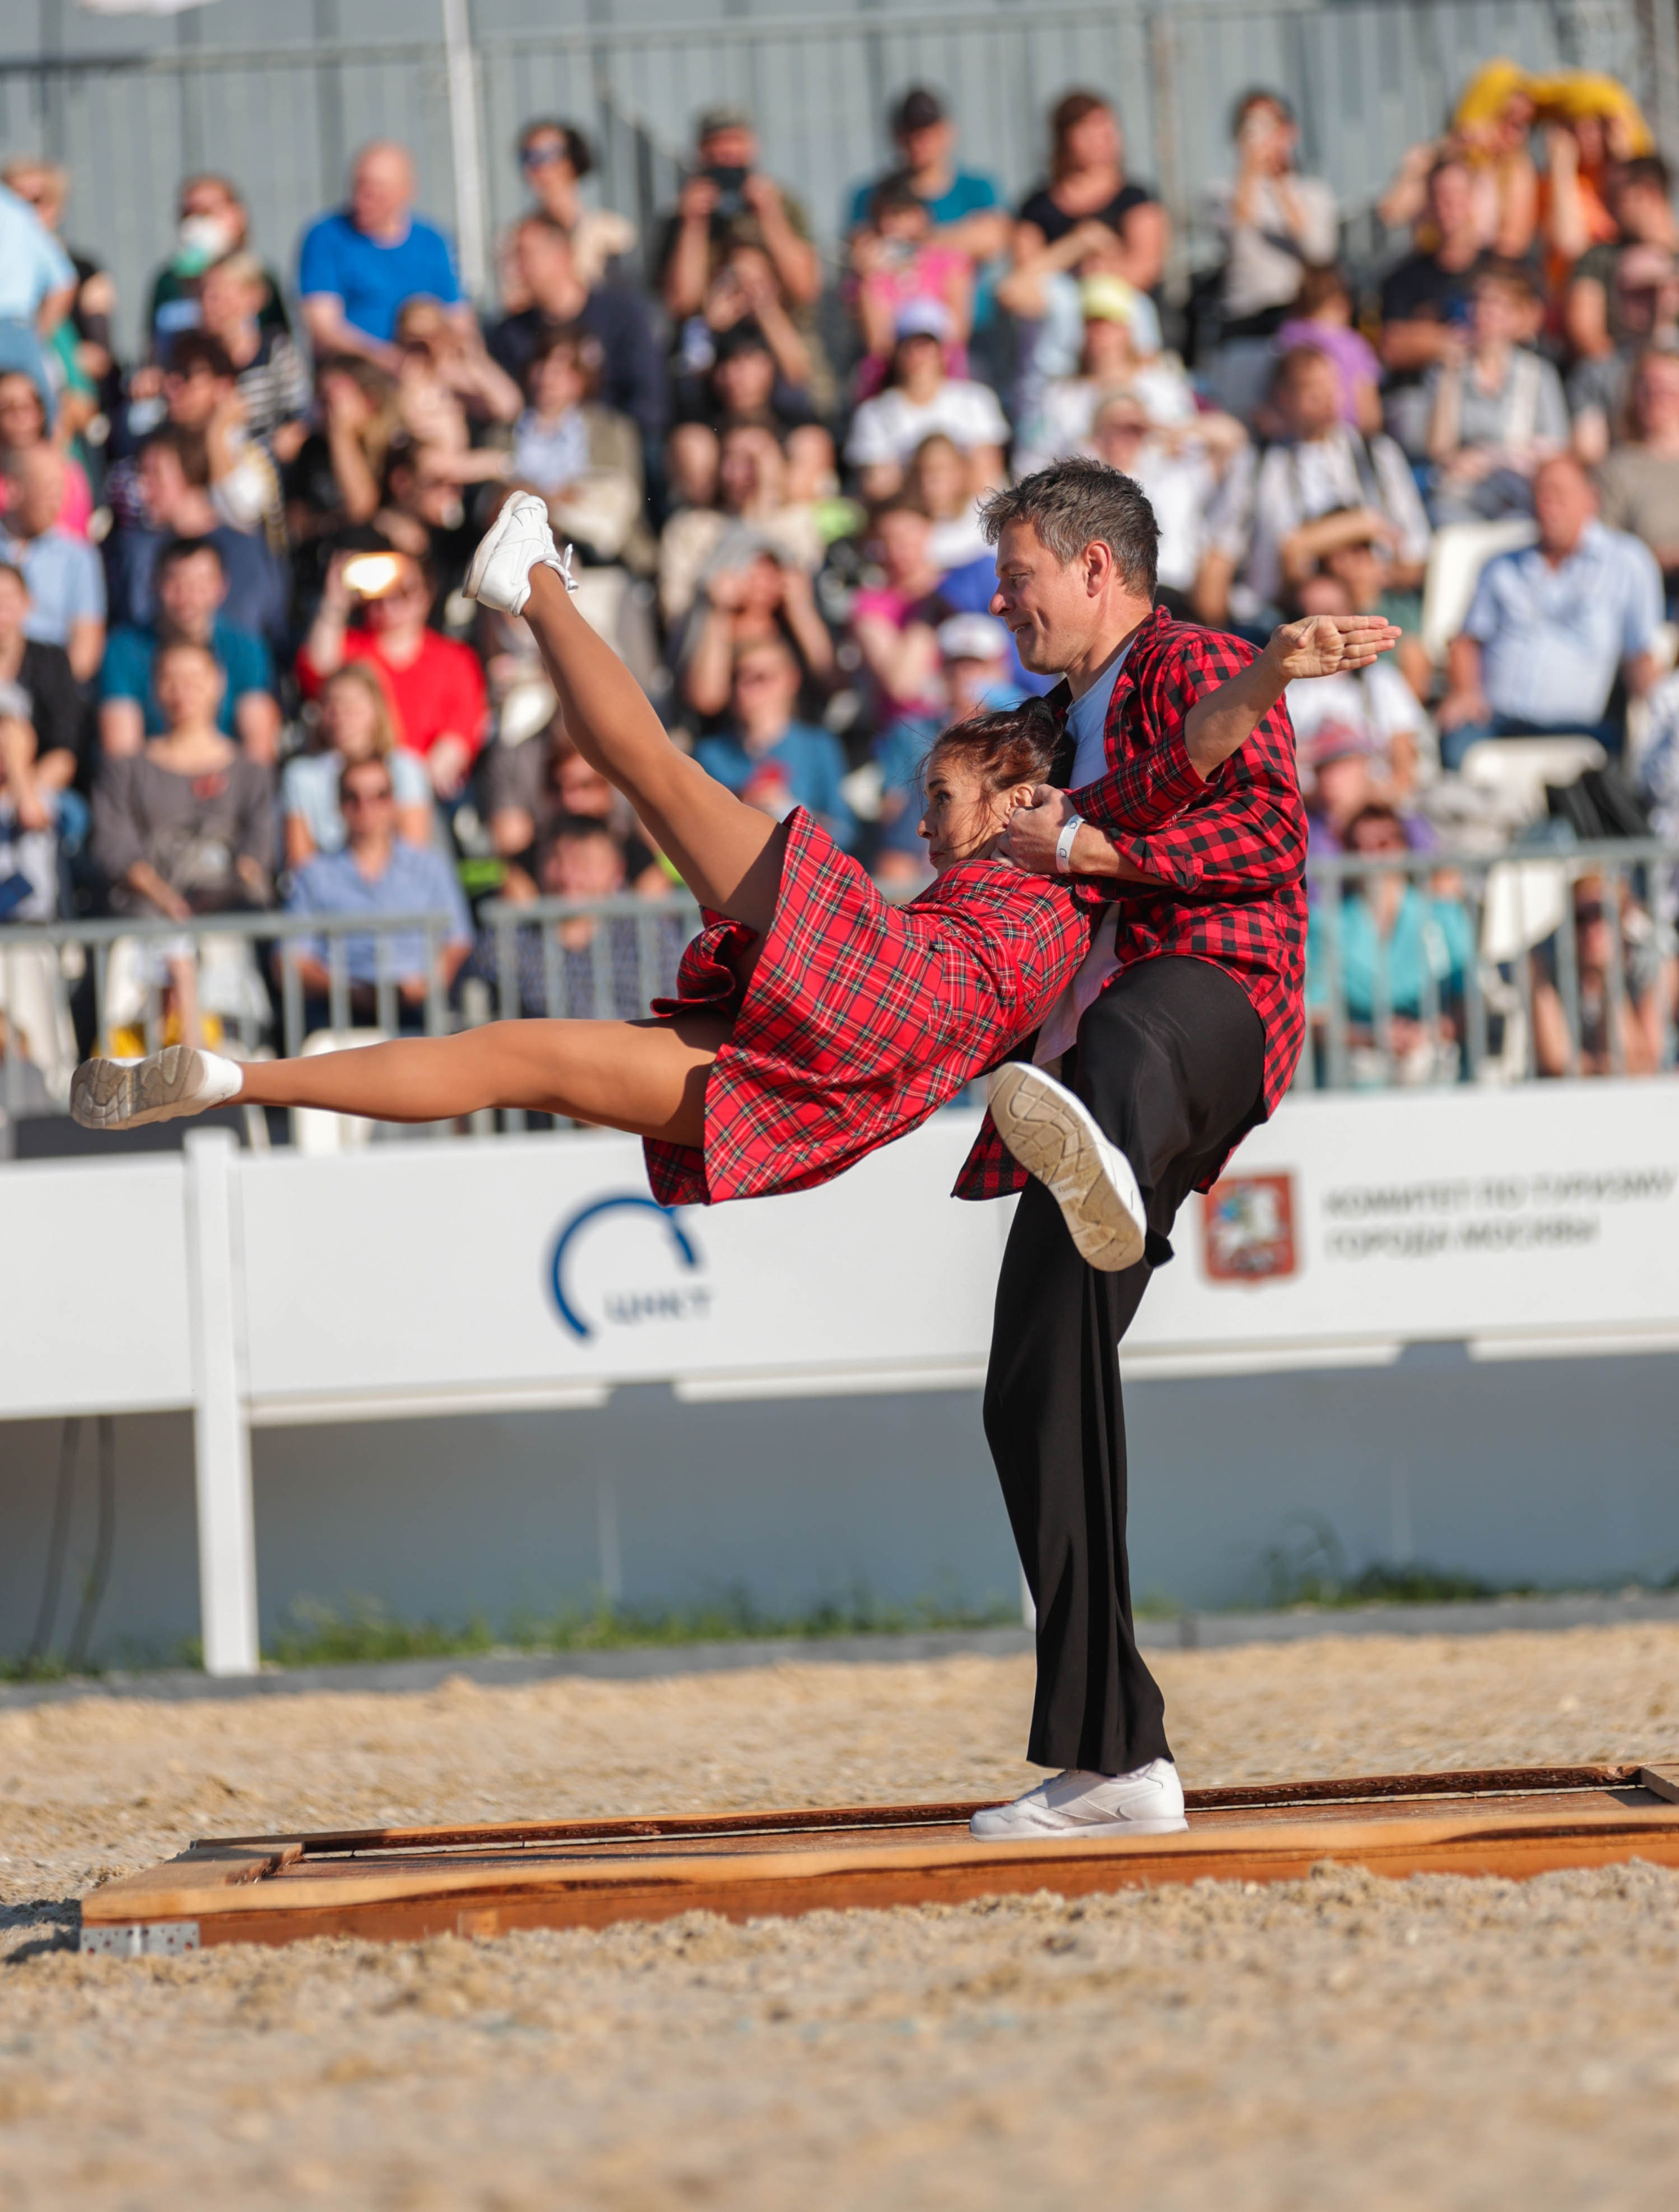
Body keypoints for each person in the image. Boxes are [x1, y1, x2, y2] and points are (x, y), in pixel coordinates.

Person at [956, 458, 1397, 1838]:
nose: (997, 598)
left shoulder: (1195, 658)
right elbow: (981, 831)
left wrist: (1086, 851)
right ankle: (1114, 1760)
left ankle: (1104, 1145)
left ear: (1096, 570)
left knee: (1127, 1045)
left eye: (1016, 573)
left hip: (1212, 1005)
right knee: (1029, 1379)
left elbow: (1263, 832)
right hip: (1102, 1063)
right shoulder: (1041, 720)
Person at [91, 636, 273, 1050]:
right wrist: (169, 902)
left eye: (194, 678)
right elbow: (115, 849)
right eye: (171, 679)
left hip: (227, 933)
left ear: (218, 683)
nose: (182, 690)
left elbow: (257, 854)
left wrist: (210, 902)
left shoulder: (251, 773)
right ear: (155, 688)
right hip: (143, 931)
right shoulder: (126, 770)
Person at [1438, 453, 1663, 768]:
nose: (1547, 504)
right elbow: (1466, 640)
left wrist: (1658, 714)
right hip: (1496, 720)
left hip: (1579, 726)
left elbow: (1640, 655)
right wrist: (1465, 691)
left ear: (1591, 499)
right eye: (1540, 494)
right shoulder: (1501, 565)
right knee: (1453, 744)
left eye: (1559, 494)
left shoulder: (1627, 563)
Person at [1198, 344, 1430, 625]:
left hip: (1371, 617)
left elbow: (1416, 559)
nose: (1326, 397)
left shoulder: (1377, 455)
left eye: (1333, 384)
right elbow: (1218, 559)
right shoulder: (1255, 463)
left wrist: (1371, 575)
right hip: (1275, 622)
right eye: (1311, 388)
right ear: (1284, 397)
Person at [281, 752, 471, 1025]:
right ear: (338, 805)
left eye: (379, 795)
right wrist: (350, 992)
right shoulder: (312, 875)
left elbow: (458, 940)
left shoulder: (430, 867)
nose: (365, 807)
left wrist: (427, 984)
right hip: (339, 1013)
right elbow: (292, 958)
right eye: (352, 796)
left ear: (394, 802)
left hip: (420, 1012)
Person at [655, 105, 826, 406]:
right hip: (712, 344)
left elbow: (805, 289)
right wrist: (692, 226)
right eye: (716, 145)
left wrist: (770, 217)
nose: (726, 154)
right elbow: (682, 303)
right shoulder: (680, 216)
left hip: (779, 337)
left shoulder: (783, 205)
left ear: (752, 147)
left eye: (735, 143)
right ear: (700, 152)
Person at [297, 548, 488, 802]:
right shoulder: (350, 649)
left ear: (427, 594)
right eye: (383, 590)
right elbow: (316, 674)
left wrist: (410, 789)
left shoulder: (456, 660)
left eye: (404, 591)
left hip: (422, 794)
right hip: (352, 791)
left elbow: (460, 736)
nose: (390, 601)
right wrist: (335, 600)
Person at [1306, 801, 1472, 1085]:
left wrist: (1427, 1035)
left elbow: (1468, 1002)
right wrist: (1371, 1038)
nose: (1370, 856)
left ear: (1404, 848)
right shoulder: (1326, 924)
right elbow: (1315, 1017)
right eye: (1358, 847)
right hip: (1357, 1072)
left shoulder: (1444, 915)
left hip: (1437, 1066)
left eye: (1383, 843)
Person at [488, 215, 669, 468]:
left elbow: (648, 403)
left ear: (562, 256)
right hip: (536, 463)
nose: (514, 268)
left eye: (525, 255)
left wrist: (604, 439)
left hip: (614, 457)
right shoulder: (510, 333)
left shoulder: (623, 314)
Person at [468, 813, 681, 1024]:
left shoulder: (648, 936)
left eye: (583, 863)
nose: (568, 876)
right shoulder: (514, 938)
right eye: (555, 860)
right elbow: (476, 977)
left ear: (617, 870)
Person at [1205, 89, 1338, 419]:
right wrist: (1250, 170)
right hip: (1244, 325)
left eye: (1271, 126)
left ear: (1290, 132)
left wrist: (1280, 182)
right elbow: (1236, 237)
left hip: (1297, 327)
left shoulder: (1313, 193)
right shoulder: (1222, 193)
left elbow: (1319, 251)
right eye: (1252, 127)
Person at [104, 423, 287, 645]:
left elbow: (261, 622)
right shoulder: (137, 547)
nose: (142, 487)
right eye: (141, 473)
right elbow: (135, 621)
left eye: (155, 473)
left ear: (190, 472)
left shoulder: (247, 548)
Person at [99, 534, 277, 763]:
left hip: (226, 784)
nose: (188, 597)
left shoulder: (246, 649)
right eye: (176, 583)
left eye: (200, 584)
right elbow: (121, 753)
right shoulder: (124, 648)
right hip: (150, 784)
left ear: (221, 587)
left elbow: (258, 747)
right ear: (155, 583)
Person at [298, 143, 464, 371]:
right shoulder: (327, 237)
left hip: (424, 370)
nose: (363, 198)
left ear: (405, 191)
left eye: (377, 190)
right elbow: (324, 327)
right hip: (358, 372)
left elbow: (459, 318)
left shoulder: (432, 241)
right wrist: (390, 360)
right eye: (360, 186)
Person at [1424, 260, 1567, 522]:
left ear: (1516, 316)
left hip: (1519, 495)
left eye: (1496, 304)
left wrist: (1494, 459)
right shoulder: (1447, 371)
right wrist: (1449, 375)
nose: (1484, 312)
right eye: (1477, 302)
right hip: (1462, 496)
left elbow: (1556, 449)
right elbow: (1439, 449)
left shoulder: (1539, 375)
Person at [844, 85, 1011, 289]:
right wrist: (958, 238)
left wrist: (910, 242)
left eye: (927, 132)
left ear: (947, 131)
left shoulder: (979, 187)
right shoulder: (871, 194)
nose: (918, 142)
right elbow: (864, 254)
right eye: (910, 132)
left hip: (967, 318)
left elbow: (990, 241)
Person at [696, 634, 855, 849]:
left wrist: (788, 810)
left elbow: (845, 833)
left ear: (791, 680)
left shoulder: (818, 747)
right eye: (737, 676)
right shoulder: (710, 754)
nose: (746, 688)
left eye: (760, 678)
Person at [1378, 155, 1489, 458]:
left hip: (1489, 405)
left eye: (1456, 196)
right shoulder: (1402, 278)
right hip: (1422, 406)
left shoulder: (1500, 269)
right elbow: (1392, 347)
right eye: (1439, 197)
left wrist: (1425, 338)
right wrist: (1457, 340)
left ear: (1472, 200)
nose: (1447, 207)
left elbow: (1521, 326)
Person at [1011, 92, 1166, 306]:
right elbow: (1024, 282)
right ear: (1064, 137)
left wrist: (1103, 266)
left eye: (1106, 128)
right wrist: (1079, 245)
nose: (1100, 139)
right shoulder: (1037, 208)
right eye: (1087, 130)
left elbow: (1145, 270)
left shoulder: (1136, 199)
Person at [843, 306, 1009, 501]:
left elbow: (987, 477)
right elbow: (877, 488)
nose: (918, 354)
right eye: (909, 345)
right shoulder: (873, 413)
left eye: (926, 344)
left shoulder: (976, 400)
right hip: (910, 522)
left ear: (942, 351)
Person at [282, 660, 432, 867]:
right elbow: (300, 864)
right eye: (332, 705)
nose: (341, 716)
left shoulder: (406, 769)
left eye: (352, 706)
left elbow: (415, 853)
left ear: (376, 709)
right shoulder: (302, 775)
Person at [1531, 870, 1670, 1078]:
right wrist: (1606, 1069)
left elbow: (1645, 1059)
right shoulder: (1543, 962)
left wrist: (1609, 978)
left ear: (1622, 919)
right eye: (1580, 918)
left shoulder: (1648, 960)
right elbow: (1555, 1061)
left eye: (1602, 914)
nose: (1591, 929)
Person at [848, 174, 975, 392]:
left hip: (946, 375)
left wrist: (924, 360)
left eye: (898, 214)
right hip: (891, 380)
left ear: (920, 216)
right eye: (882, 217)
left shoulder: (950, 263)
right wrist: (867, 278)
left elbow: (958, 333)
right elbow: (878, 344)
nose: (889, 226)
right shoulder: (868, 277)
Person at [144, 174, 288, 362]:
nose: (195, 222)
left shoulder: (261, 276)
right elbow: (153, 348)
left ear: (237, 215)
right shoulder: (167, 280)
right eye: (188, 213)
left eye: (206, 212)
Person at [0, 445, 106, 681]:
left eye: (61, 490)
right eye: (49, 490)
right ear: (15, 491)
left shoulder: (79, 557)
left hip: (51, 687)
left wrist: (55, 694)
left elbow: (86, 647)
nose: (58, 501)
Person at [195, 251, 311, 452]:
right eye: (202, 293)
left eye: (218, 293)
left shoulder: (277, 349)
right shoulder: (195, 357)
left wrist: (290, 437)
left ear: (253, 297)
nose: (207, 302)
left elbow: (300, 411)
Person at [503, 119, 634, 295]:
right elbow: (516, 304)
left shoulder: (612, 231)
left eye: (547, 155)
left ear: (572, 159)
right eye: (528, 157)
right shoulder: (516, 239)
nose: (538, 168)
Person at [0, 560, 83, 816]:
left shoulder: (52, 661)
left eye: (8, 598)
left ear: (27, 603)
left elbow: (64, 752)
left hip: (35, 789)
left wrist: (18, 795)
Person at [1274, 264, 1383, 436]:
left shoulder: (1286, 334)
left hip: (1293, 432)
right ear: (1342, 303)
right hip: (1342, 436)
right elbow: (1369, 411)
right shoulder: (1354, 344)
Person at [0, 174, 75, 407]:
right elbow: (64, 281)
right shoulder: (16, 212)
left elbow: (63, 282)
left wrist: (35, 334)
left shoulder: (14, 211)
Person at [0, 371, 93, 539]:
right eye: (8, 408)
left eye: (28, 405)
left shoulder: (66, 472)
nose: (20, 416)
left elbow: (76, 536)